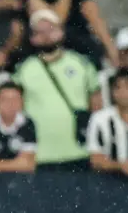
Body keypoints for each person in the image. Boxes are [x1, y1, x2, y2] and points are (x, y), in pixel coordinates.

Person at [13, 9, 101, 169]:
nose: (46, 35)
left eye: (51, 29)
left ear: (62, 32)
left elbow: (96, 102)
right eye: (40, 32)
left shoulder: (82, 64)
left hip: (80, 152)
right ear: (32, 38)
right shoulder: (23, 69)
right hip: (38, 156)